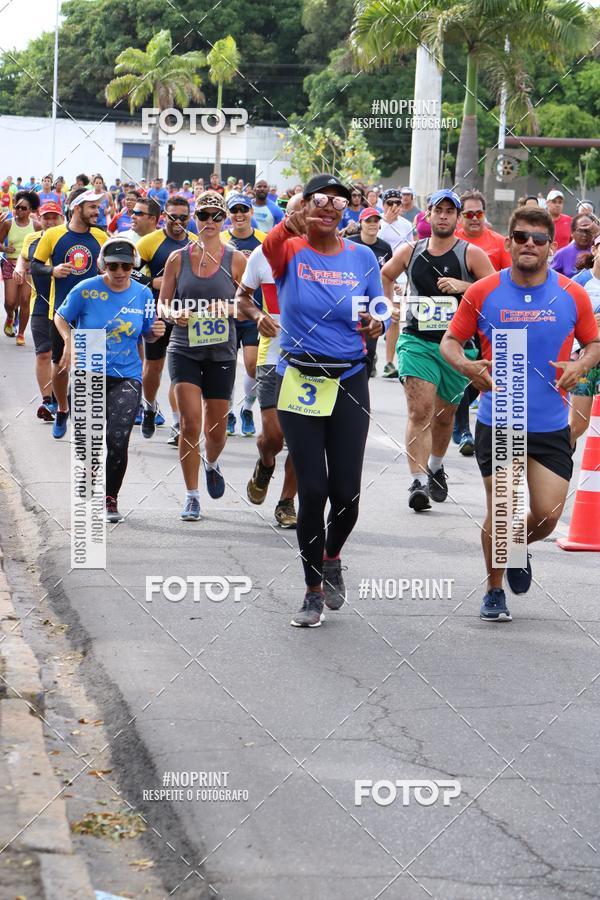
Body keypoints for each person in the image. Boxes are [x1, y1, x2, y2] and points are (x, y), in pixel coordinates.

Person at [441, 205, 600, 622]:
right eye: (522, 237)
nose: (530, 244)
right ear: (508, 241)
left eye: (539, 239)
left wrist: (581, 365)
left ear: (552, 246)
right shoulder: (483, 292)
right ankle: (494, 589)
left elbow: (595, 343)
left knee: (547, 516)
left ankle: (516, 547)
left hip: (550, 424)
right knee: (505, 506)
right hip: (500, 419)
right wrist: (467, 367)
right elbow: (450, 343)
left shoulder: (572, 294)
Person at [263, 173, 385, 628]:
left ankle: (332, 556)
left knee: (346, 495)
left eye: (338, 200)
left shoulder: (362, 256)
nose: (328, 206)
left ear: (347, 210)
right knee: (312, 489)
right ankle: (312, 590)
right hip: (300, 379)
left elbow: (378, 305)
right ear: (304, 205)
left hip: (350, 379)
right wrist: (288, 222)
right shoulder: (289, 247)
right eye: (319, 199)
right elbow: (272, 250)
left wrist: (376, 321)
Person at [381, 189, 494, 511]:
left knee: (444, 419)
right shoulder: (411, 251)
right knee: (420, 412)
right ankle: (417, 481)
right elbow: (386, 274)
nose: (443, 215)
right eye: (438, 210)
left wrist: (464, 287)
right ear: (428, 215)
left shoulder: (470, 254)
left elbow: (496, 290)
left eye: (450, 211)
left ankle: (436, 466)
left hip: (457, 347)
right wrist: (389, 306)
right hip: (417, 341)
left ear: (457, 218)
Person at [54, 238, 165, 522]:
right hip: (90, 365)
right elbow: (61, 317)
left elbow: (147, 333)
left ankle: (110, 497)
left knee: (118, 438)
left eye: (126, 266)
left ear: (133, 266)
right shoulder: (87, 289)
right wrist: (69, 341)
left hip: (126, 373)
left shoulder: (142, 294)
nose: (119, 271)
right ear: (105, 264)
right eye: (113, 265)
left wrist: (157, 331)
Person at [158, 191, 246, 521]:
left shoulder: (236, 259)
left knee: (216, 432)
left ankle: (212, 461)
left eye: (216, 216)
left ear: (224, 221)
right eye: (203, 216)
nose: (209, 222)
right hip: (184, 349)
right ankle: (192, 495)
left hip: (221, 351)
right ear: (195, 219)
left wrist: (230, 307)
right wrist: (170, 315)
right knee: (191, 422)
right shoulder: (178, 258)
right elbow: (163, 302)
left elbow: (251, 306)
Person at [235, 193, 304, 529]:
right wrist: (258, 314)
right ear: (284, 217)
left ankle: (286, 501)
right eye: (295, 214)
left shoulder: (326, 257)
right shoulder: (263, 254)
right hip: (273, 353)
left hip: (313, 358)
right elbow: (242, 298)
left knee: (303, 438)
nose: (302, 220)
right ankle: (265, 463)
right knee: (274, 437)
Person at [31, 188, 107, 439]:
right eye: (92, 207)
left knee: (90, 369)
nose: (97, 211)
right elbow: (35, 265)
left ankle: (86, 425)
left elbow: (115, 266)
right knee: (61, 365)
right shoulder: (53, 235)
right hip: (61, 311)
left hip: (93, 313)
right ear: (77, 208)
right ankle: (62, 407)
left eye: (98, 206)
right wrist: (52, 271)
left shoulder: (101, 236)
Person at [452, 189, 512, 453]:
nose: (475, 218)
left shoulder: (498, 242)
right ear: (460, 217)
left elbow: (507, 281)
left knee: (485, 374)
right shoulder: (451, 241)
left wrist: (465, 285)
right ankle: (464, 430)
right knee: (465, 367)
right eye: (469, 214)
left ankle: (456, 416)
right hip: (458, 318)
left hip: (492, 318)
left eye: (479, 213)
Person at [135, 196, 197, 440]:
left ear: (189, 217)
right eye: (173, 217)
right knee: (154, 367)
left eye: (183, 217)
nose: (178, 222)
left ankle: (178, 423)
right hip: (158, 312)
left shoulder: (195, 243)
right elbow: (126, 270)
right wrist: (153, 282)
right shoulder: (150, 242)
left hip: (186, 315)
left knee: (180, 371)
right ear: (164, 217)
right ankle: (149, 406)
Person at [220, 193, 267, 437]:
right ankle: (227, 412)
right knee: (225, 367)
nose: (239, 214)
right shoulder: (219, 240)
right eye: (234, 210)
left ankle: (247, 408)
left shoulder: (264, 240)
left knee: (252, 366)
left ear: (251, 212)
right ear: (228, 214)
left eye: (243, 209)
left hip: (253, 312)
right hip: (224, 314)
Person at [15, 200, 64, 420]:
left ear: (61, 218)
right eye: (46, 217)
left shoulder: (69, 238)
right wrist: (18, 267)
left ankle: (63, 399)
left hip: (68, 305)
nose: (50, 221)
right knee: (44, 353)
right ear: (39, 219)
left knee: (67, 357)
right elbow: (24, 259)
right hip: (42, 303)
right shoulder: (32, 239)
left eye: (54, 217)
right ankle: (48, 401)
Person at [346, 206, 393, 377]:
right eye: (368, 221)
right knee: (351, 346)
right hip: (349, 301)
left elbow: (389, 274)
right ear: (361, 224)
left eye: (376, 221)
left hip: (373, 302)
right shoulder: (350, 243)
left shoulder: (385, 248)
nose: (373, 224)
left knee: (369, 350)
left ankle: (363, 381)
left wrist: (391, 295)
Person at [377, 188, 413, 379]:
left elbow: (410, 251)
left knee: (394, 318)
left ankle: (389, 362)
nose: (393, 207)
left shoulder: (407, 225)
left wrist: (407, 280)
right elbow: (373, 244)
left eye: (397, 203)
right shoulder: (376, 222)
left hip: (398, 278)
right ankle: (370, 356)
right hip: (376, 275)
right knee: (374, 315)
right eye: (389, 203)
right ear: (383, 205)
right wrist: (386, 224)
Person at [570, 234, 600, 444]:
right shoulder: (579, 282)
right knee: (578, 424)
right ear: (595, 250)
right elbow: (564, 319)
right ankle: (559, 463)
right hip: (583, 358)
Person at [0, 190, 40, 342]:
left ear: (31, 210)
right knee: (10, 302)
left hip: (28, 267)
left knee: (25, 299)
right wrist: (4, 249)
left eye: (24, 208)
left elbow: (42, 245)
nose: (19, 211)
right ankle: (10, 316)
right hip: (10, 264)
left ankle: (21, 333)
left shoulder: (36, 226)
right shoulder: (8, 223)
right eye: (17, 207)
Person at [550, 212, 598, 278]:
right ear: (572, 233)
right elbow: (551, 278)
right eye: (580, 231)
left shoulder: (597, 252)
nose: (584, 235)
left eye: (588, 231)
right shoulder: (562, 254)